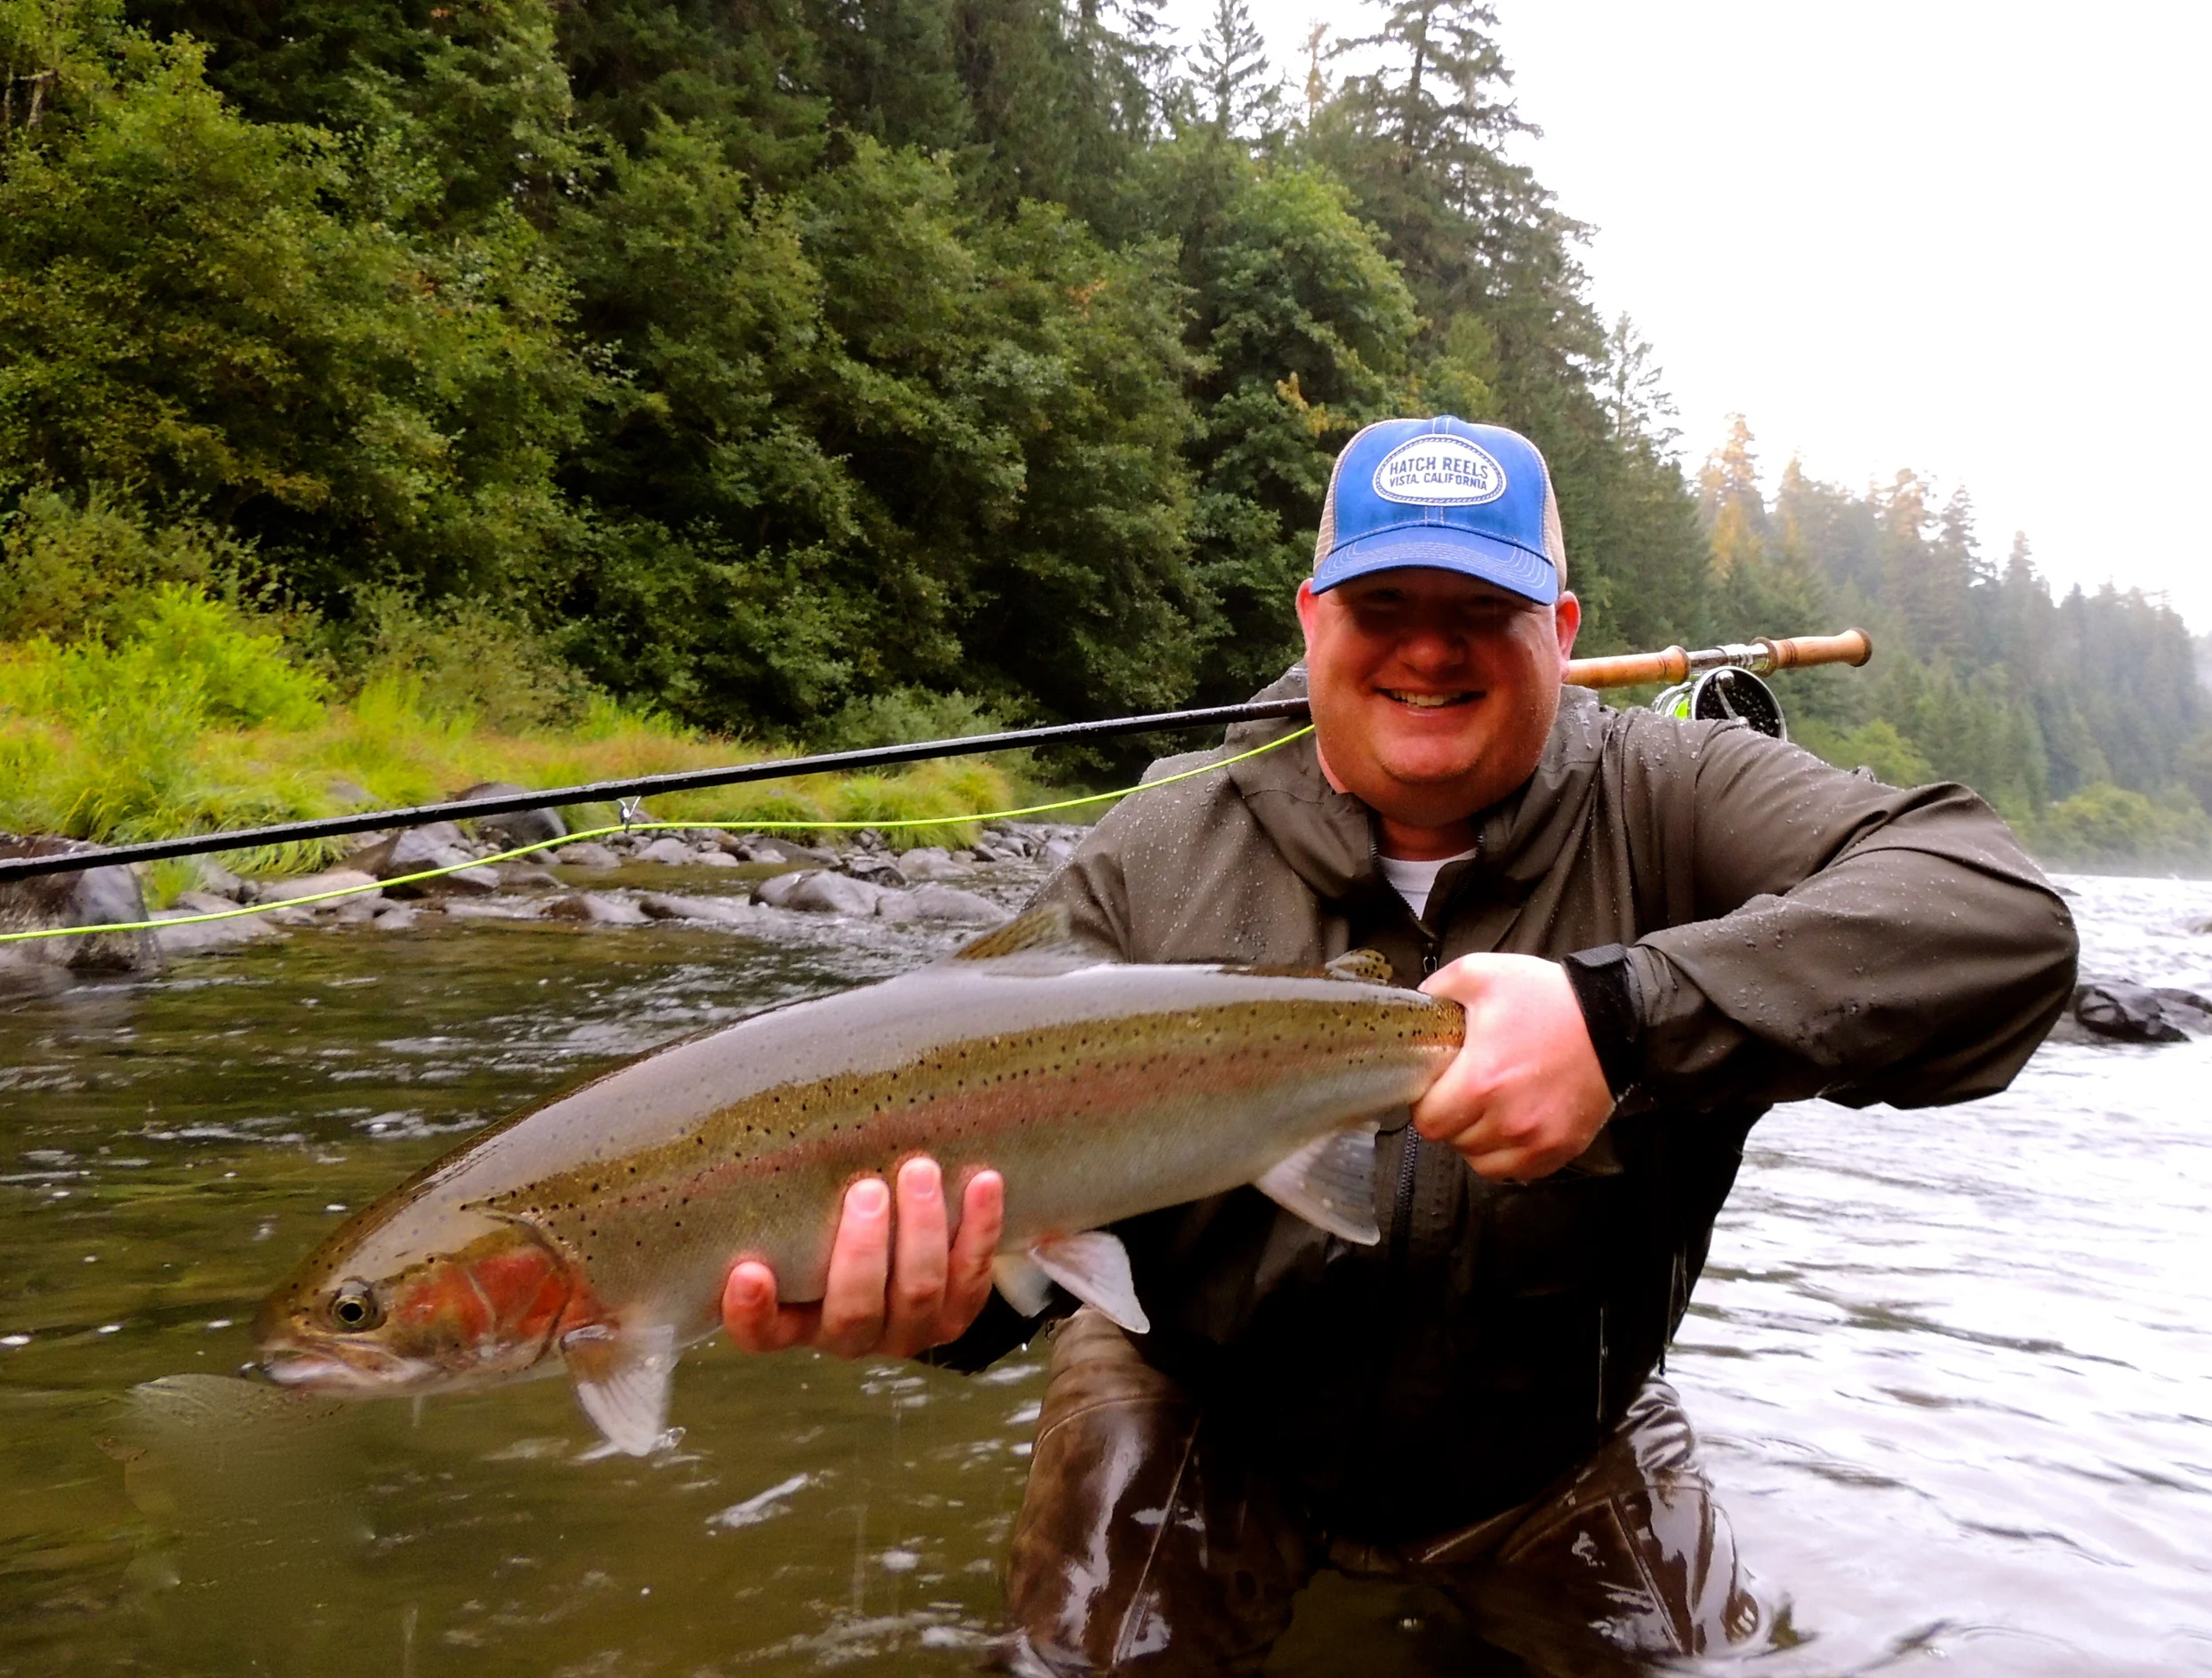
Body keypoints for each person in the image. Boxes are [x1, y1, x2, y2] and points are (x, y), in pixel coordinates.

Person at [720, 417, 2080, 1674]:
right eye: (1384, 607)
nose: (1429, 650)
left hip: (1558, 1439)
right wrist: (946, 1314)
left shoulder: (1674, 798)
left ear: (1561, 627)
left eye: (1481, 611)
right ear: (1313, 620)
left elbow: (2000, 923)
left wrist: (1621, 1019)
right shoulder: (1151, 856)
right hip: (1200, 1401)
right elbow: (1037, 1258)